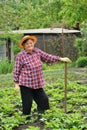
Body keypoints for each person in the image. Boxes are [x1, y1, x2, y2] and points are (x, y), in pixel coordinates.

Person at [13, 35, 71, 120]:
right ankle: (25, 121)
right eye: (27, 44)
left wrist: (60, 59)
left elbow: (48, 57)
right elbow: (16, 70)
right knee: (27, 104)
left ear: (33, 43)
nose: (29, 45)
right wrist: (16, 84)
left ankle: (41, 117)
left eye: (31, 43)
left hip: (37, 83)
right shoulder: (20, 56)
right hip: (26, 83)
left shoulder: (37, 52)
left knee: (44, 100)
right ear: (24, 46)